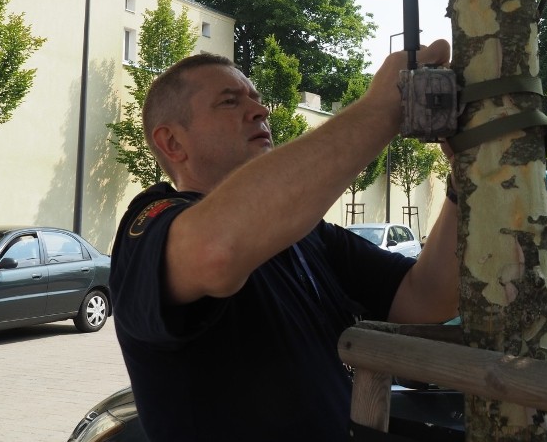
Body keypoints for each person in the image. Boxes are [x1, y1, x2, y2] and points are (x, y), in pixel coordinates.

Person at [109, 40, 460, 442]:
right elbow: (216, 251)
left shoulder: (307, 235)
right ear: (172, 142)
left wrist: (464, 178)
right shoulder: (152, 225)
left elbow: (429, 298)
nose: (260, 110)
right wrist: (382, 108)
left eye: (256, 99)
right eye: (229, 102)